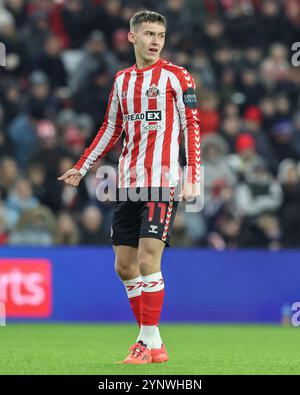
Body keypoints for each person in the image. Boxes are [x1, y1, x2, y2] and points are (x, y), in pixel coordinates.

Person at [58, 10, 200, 364]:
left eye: (161, 35)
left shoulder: (177, 77)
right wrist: (81, 166)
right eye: (149, 34)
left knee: (149, 260)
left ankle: (141, 342)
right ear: (132, 37)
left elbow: (192, 127)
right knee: (125, 267)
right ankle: (156, 342)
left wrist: (194, 176)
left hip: (162, 182)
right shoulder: (122, 81)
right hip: (127, 183)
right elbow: (111, 129)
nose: (155, 41)